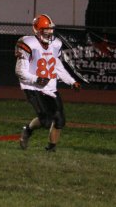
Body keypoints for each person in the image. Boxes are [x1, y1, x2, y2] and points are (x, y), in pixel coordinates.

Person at [16, 14, 81, 152]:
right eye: (45, 30)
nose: (49, 33)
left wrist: (71, 81)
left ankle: (51, 148)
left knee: (59, 120)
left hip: (49, 86)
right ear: (37, 30)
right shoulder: (28, 43)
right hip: (32, 86)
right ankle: (27, 130)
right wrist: (35, 79)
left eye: (50, 30)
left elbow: (57, 65)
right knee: (45, 120)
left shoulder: (56, 44)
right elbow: (20, 71)